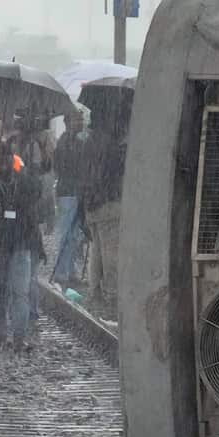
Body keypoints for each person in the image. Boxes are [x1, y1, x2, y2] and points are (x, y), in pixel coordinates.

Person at [0, 139, 40, 353]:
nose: (3, 162)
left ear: (12, 159)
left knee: (19, 293)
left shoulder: (24, 182)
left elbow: (33, 212)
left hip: (20, 244)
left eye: (6, 157)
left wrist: (37, 244)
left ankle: (18, 339)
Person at [82, 106, 129, 310]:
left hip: (91, 203)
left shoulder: (87, 143)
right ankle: (112, 294)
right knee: (111, 253)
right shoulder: (110, 144)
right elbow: (114, 173)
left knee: (97, 251)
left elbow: (83, 175)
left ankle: (94, 292)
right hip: (109, 202)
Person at [52, 110, 88, 285]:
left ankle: (70, 270)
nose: (80, 122)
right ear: (67, 122)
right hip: (68, 192)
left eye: (81, 119)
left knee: (75, 235)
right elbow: (62, 169)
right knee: (67, 234)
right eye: (77, 119)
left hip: (76, 192)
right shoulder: (64, 143)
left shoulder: (79, 143)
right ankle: (61, 272)